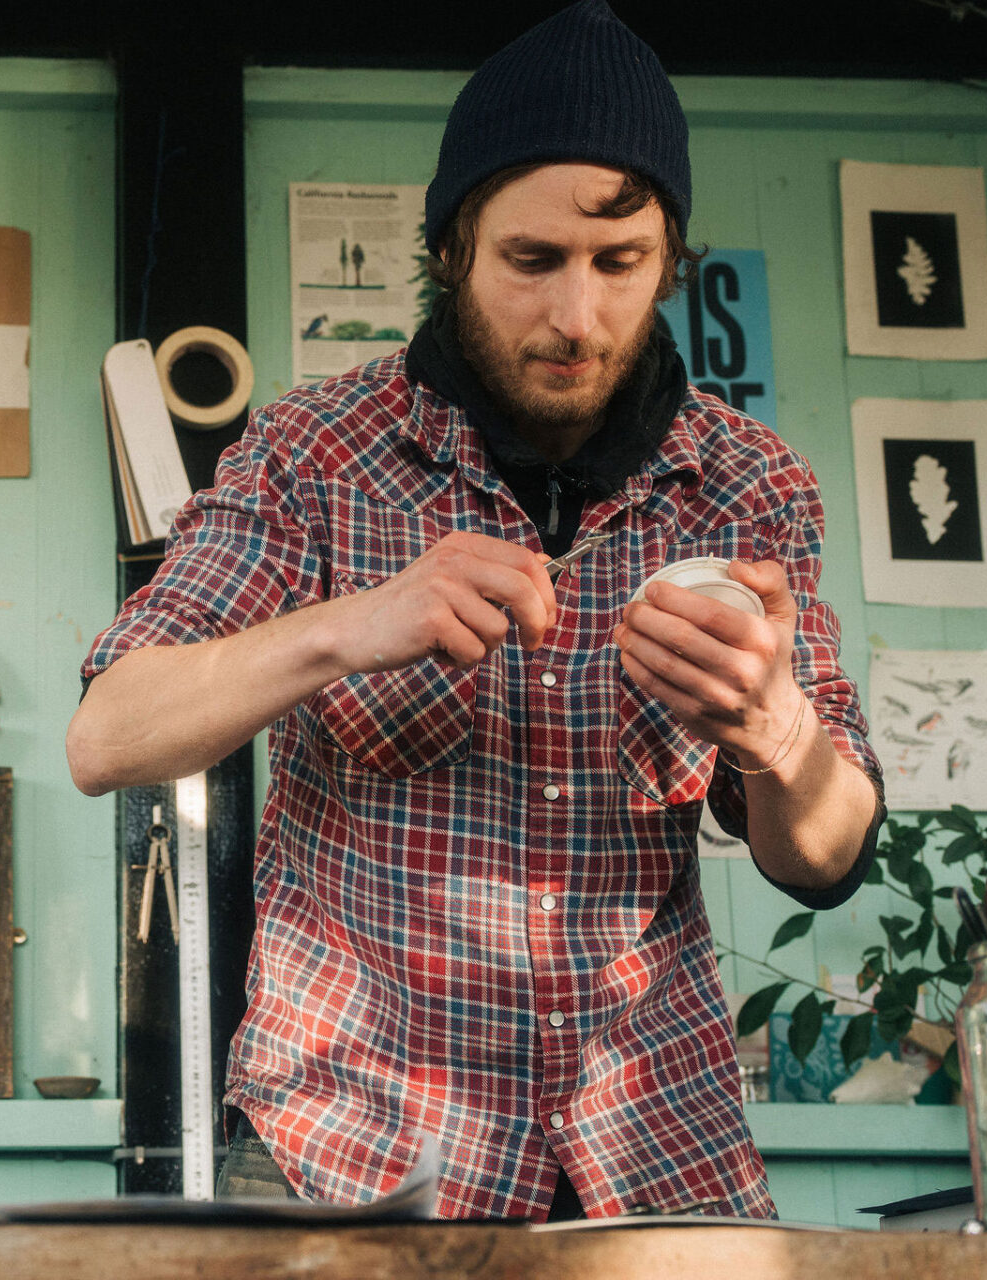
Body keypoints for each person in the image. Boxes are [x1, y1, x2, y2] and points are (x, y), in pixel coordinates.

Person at [67, 0, 882, 1220]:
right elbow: (107, 735)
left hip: (654, 1156)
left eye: (621, 265)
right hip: (348, 1156)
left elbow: (823, 854)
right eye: (532, 260)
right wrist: (351, 623)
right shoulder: (311, 453)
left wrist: (775, 729)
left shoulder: (750, 482)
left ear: (670, 257)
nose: (578, 318)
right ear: (451, 248)